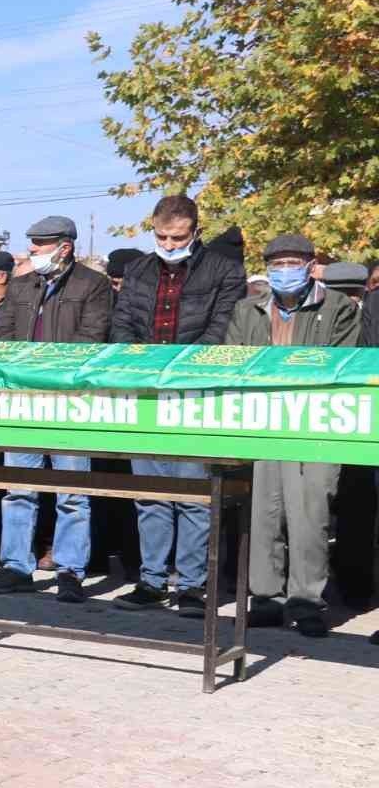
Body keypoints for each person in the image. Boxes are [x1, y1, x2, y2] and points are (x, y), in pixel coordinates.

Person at [111, 194, 247, 614]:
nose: (168, 245)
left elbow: (221, 328)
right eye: (161, 237)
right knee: (150, 495)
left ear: (196, 232)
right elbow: (123, 324)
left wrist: (182, 370)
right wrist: (141, 366)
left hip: (195, 393)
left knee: (194, 496)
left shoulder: (224, 270)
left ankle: (191, 586)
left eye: (178, 238)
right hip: (146, 392)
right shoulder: (138, 270)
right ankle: (152, 581)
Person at [222, 234, 358, 637]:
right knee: (264, 513)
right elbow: (234, 360)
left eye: (292, 263)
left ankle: (307, 601)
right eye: (277, 264)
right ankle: (265, 598)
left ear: (311, 266)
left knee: (310, 515)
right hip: (263, 423)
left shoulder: (337, 307)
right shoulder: (248, 309)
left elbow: (340, 363)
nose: (284, 271)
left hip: (315, 425)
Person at [0, 217, 114, 602]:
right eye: (32, 243)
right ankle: (16, 566)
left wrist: (48, 372)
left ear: (64, 247)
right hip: (23, 401)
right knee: (18, 489)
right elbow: (2, 336)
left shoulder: (93, 285)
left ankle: (70, 570)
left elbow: (92, 339)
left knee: (73, 493)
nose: (33, 251)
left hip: (70, 403)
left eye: (40, 245)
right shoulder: (22, 285)